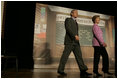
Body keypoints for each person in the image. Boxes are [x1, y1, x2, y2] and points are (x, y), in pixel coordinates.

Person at [57, 9, 92, 76]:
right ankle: (60, 70)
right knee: (65, 56)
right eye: (76, 12)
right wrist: (74, 35)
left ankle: (83, 71)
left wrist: (77, 38)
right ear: (71, 13)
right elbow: (68, 28)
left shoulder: (76, 22)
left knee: (79, 57)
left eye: (77, 13)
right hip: (69, 42)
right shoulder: (68, 20)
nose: (77, 14)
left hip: (76, 43)